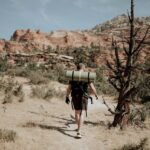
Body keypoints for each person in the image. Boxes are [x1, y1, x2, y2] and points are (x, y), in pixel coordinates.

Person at [65, 63, 98, 138]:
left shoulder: (73, 76)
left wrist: (67, 97)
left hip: (74, 95)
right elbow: (92, 88)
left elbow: (69, 88)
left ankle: (78, 128)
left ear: (77, 68)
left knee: (77, 112)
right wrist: (95, 95)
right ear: (83, 68)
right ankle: (79, 131)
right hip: (83, 96)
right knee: (82, 112)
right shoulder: (86, 76)